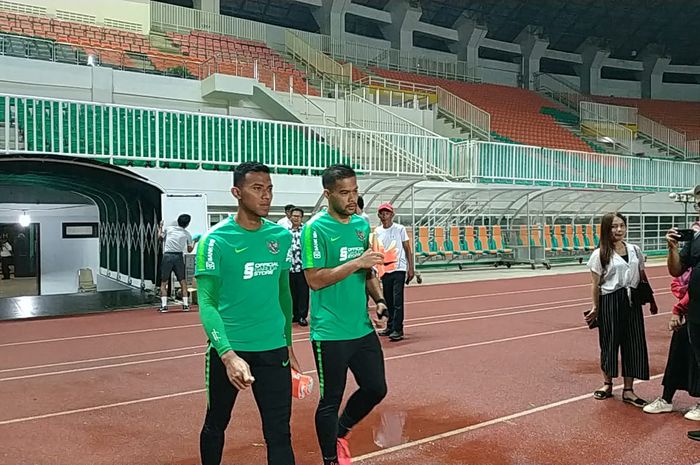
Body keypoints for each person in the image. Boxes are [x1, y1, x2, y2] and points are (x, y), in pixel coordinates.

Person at [195, 162, 299, 465]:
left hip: (273, 349)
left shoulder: (279, 238)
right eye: (257, 188)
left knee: (279, 432)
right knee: (216, 422)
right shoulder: (215, 241)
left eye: (269, 189)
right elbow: (207, 303)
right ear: (237, 192)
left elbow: (283, 294)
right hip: (230, 349)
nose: (266, 196)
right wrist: (227, 355)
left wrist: (288, 343)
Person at [302, 164, 389, 465]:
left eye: (355, 192)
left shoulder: (361, 226)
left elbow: (367, 272)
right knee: (330, 399)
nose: (352, 199)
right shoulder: (314, 229)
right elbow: (314, 279)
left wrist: (379, 300)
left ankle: (340, 430)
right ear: (327, 194)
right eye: (344, 193)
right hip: (330, 332)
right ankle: (330, 458)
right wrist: (356, 262)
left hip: (361, 328)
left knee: (376, 388)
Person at [586, 212, 655, 407]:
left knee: (633, 342)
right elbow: (595, 284)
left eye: (622, 226)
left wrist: (651, 299)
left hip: (632, 299)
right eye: (614, 226)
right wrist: (595, 307)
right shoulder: (600, 253)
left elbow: (642, 274)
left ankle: (629, 390)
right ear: (606, 229)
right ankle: (607, 384)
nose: (619, 230)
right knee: (609, 341)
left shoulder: (634, 249)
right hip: (610, 300)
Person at [643, 265, 700, 419]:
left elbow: (695, 288)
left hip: (694, 312)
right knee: (677, 355)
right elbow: (677, 281)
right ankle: (666, 399)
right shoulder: (690, 254)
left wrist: (678, 309)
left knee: (697, 360)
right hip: (689, 312)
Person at [667, 184, 700, 440]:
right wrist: (672, 248)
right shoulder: (697, 235)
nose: (698, 206)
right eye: (697, 202)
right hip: (696, 309)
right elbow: (677, 271)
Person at [374, 202, 414, 341]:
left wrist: (411, 268)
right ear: (379, 215)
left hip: (399, 268)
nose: (384, 215)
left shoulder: (400, 229)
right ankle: (390, 326)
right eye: (382, 213)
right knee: (388, 299)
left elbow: (407, 248)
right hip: (385, 269)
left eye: (387, 213)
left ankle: (398, 329)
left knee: (398, 300)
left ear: (392, 214)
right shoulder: (378, 231)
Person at [158, 213, 198, 312]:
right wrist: (194, 242)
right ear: (187, 224)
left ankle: (164, 306)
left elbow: (160, 237)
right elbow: (189, 250)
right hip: (178, 257)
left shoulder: (169, 229)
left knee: (164, 282)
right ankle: (185, 305)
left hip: (167, 256)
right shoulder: (187, 234)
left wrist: (160, 227)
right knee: (183, 281)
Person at [289, 207, 309, 326]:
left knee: (303, 292)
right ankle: (295, 315)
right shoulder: (285, 231)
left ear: (302, 218)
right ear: (290, 217)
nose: (296, 218)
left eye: (298, 216)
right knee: (292, 292)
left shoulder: (306, 231)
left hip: (303, 267)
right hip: (290, 267)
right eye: (294, 216)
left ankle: (302, 316)